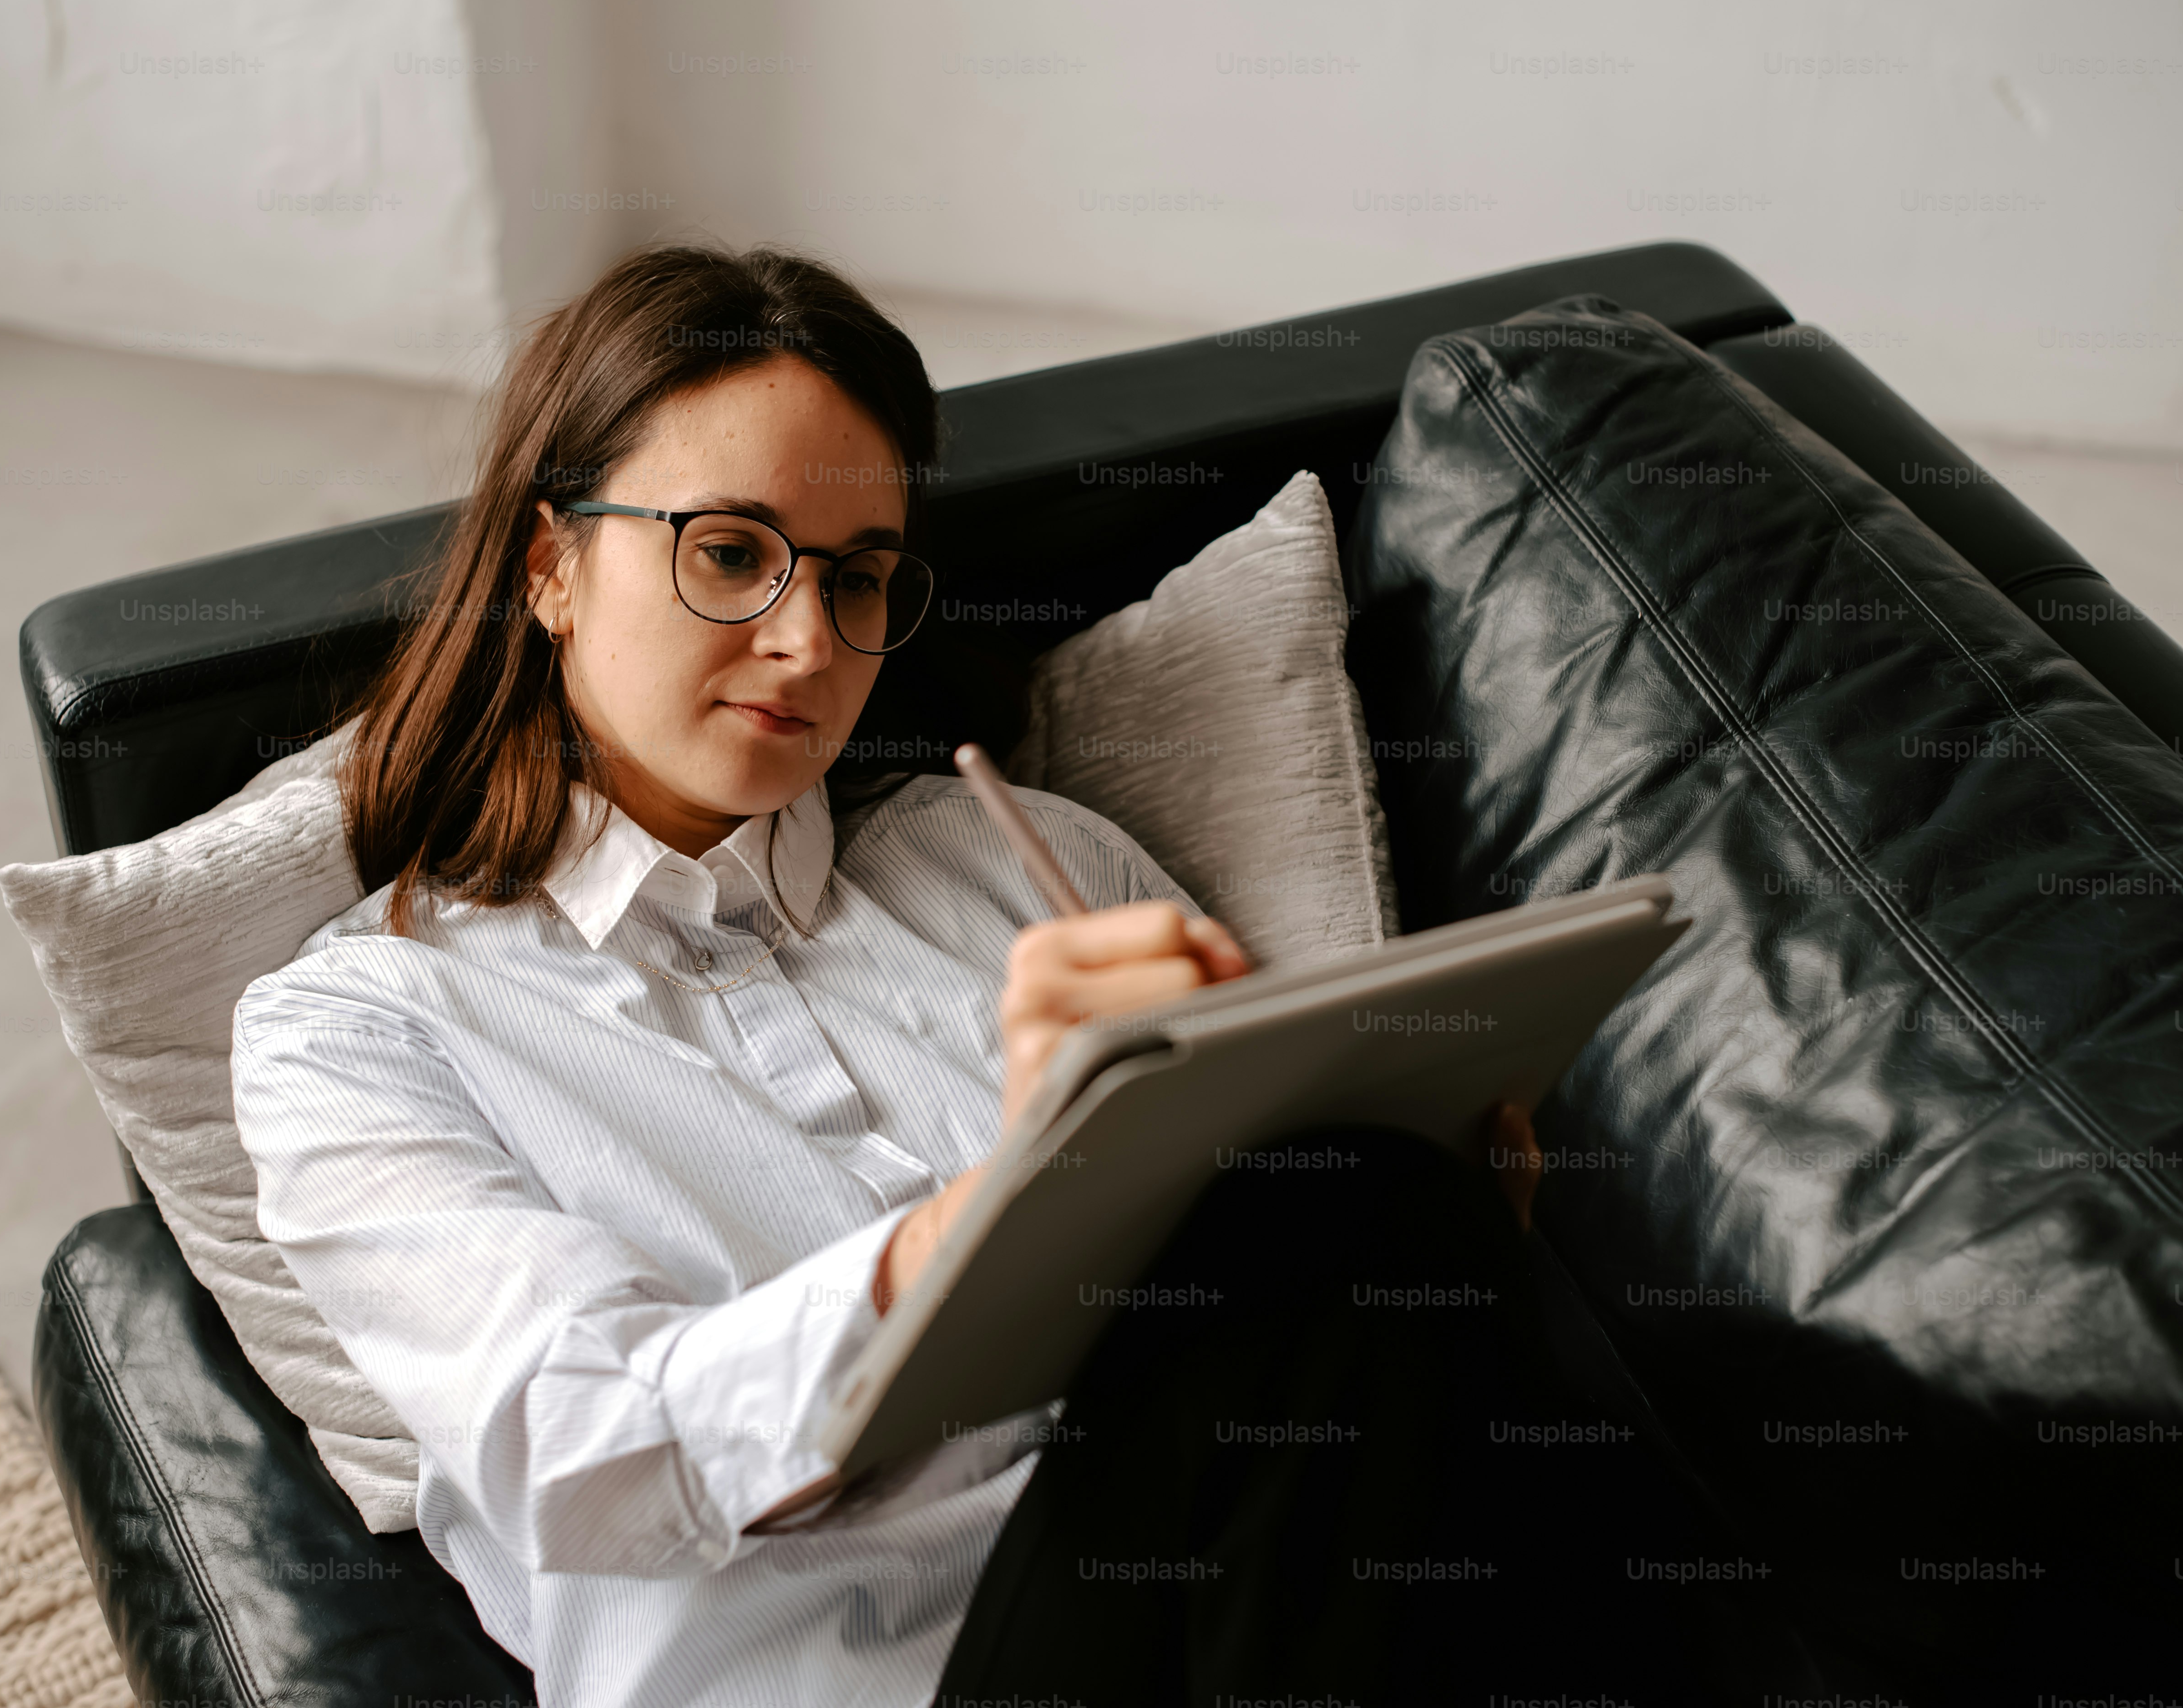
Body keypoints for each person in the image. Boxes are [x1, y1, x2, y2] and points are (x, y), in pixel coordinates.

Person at [233, 244, 1708, 1708]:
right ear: (553, 566)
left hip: (1267, 1595)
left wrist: (1464, 1192)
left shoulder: (1029, 866)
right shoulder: (354, 1030)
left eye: (859, 578)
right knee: (1329, 1202)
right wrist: (1003, 1208)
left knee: (1377, 1205)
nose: (807, 640)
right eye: (731, 553)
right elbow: (586, 1459)